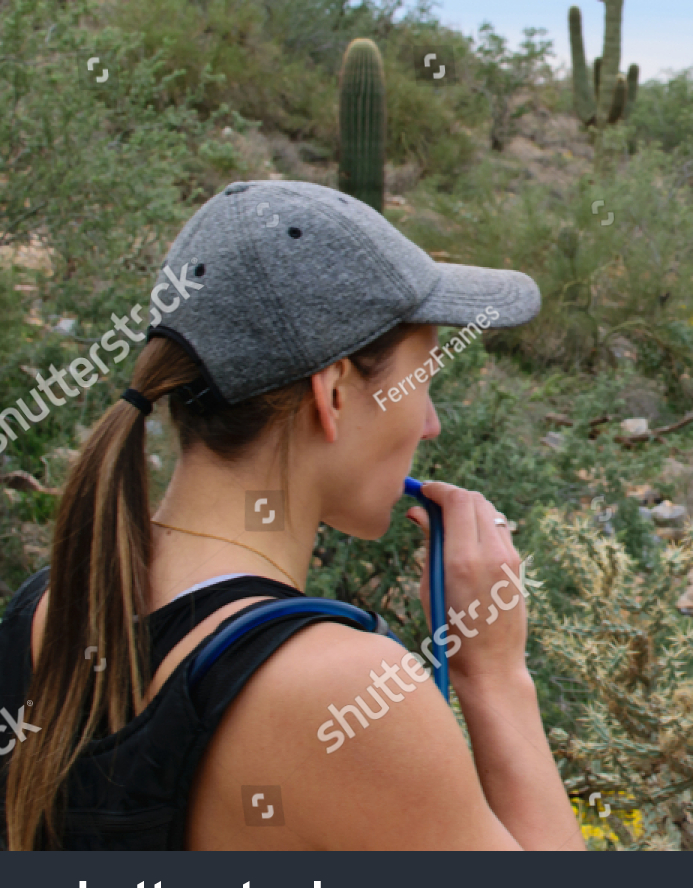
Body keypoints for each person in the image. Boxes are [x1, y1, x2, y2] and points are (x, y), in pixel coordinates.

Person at [0, 181, 585, 850]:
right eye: (422, 384)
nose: (430, 424)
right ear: (332, 393)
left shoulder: (47, 608)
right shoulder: (344, 693)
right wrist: (494, 672)